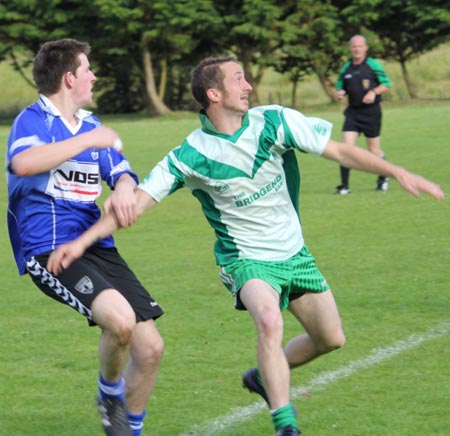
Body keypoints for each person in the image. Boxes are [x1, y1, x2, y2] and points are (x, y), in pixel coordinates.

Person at [46, 56, 444, 436]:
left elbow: (339, 150)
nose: (248, 85)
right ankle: (285, 422)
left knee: (330, 339)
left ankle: (262, 376)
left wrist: (397, 170)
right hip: (245, 260)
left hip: (294, 254)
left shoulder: (274, 121)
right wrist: (81, 244)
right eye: (238, 79)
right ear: (213, 94)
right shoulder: (191, 155)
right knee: (269, 320)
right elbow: (135, 205)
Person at [6, 39, 164, 436]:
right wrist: (87, 141)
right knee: (121, 321)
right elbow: (22, 163)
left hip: (97, 247)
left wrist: (126, 186)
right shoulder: (35, 119)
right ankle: (109, 394)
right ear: (68, 78)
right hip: (51, 249)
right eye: (87, 69)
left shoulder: (92, 125)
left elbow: (122, 172)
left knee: (150, 348)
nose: (94, 76)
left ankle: (130, 429)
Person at [335, 34, 392, 194]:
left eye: (359, 46)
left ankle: (383, 178)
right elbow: (340, 86)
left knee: (374, 150)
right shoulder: (346, 67)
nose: (356, 49)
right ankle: (344, 186)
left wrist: (373, 91)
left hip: (371, 112)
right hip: (353, 112)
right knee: (346, 148)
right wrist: (340, 92)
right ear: (350, 48)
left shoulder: (373, 65)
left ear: (365, 48)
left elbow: (387, 84)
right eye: (354, 46)